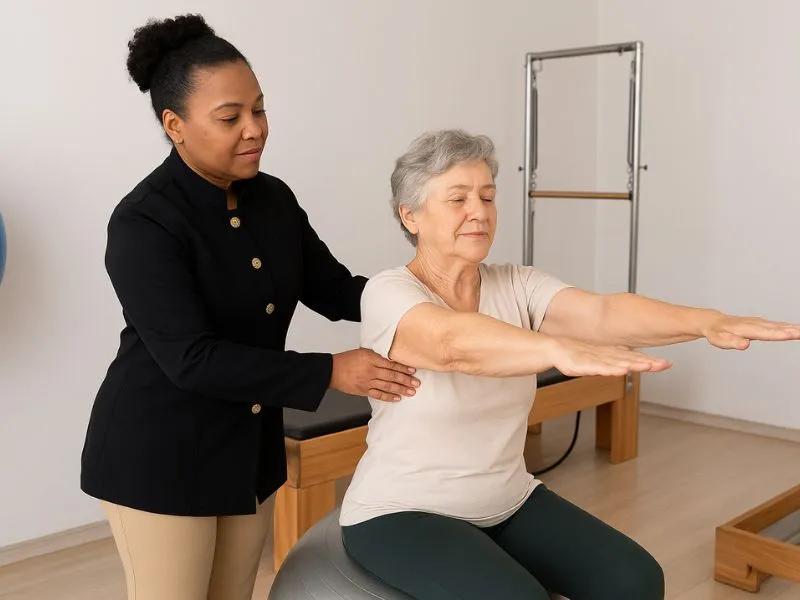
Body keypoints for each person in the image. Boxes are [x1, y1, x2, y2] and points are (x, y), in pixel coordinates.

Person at [338, 129, 800, 600]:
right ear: (410, 215)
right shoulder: (388, 291)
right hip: (402, 511)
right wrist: (557, 349)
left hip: (506, 499)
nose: (479, 211)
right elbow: (451, 344)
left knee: (635, 580)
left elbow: (603, 313)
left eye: (488, 196)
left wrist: (707, 321)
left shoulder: (515, 284)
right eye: (458, 199)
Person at [79, 14, 419, 600]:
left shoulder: (273, 198)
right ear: (174, 125)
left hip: (246, 449)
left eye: (259, 110)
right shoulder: (143, 222)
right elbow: (192, 359)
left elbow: (335, 288)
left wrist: (425, 294)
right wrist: (332, 370)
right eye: (230, 117)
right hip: (159, 455)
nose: (254, 129)